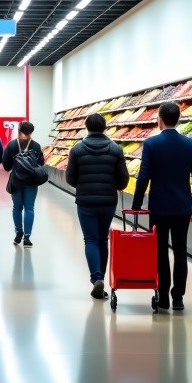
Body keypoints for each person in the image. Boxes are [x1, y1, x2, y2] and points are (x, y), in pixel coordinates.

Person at [131, 100, 192, 311]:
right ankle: (178, 298)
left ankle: (163, 296)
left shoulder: (151, 144)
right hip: (182, 207)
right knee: (181, 251)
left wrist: (136, 206)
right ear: (178, 119)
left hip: (159, 207)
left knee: (160, 251)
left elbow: (143, 177)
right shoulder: (190, 144)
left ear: (159, 119)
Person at [65, 112, 129, 300]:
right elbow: (123, 179)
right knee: (103, 239)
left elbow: (70, 177)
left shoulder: (77, 149)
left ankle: (96, 279)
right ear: (105, 127)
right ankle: (101, 278)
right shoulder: (115, 149)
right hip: (108, 200)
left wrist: (83, 186)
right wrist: (112, 186)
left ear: (87, 127)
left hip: (85, 201)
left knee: (90, 240)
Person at [3, 120, 44, 247]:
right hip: (32, 181)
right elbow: (41, 164)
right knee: (29, 208)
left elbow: (6, 166)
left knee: (17, 207)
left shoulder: (11, 145)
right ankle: (27, 238)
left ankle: (18, 232)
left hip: (16, 181)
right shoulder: (36, 146)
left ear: (20, 130)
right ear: (31, 132)